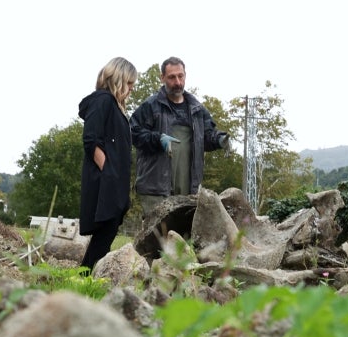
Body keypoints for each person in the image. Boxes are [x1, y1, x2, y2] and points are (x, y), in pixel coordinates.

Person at [130, 57, 232, 217]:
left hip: (188, 188)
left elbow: (206, 137)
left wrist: (220, 139)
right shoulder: (150, 106)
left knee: (183, 238)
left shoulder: (197, 110)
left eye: (180, 76)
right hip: (156, 188)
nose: (177, 82)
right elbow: (133, 133)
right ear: (162, 77)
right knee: (158, 237)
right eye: (172, 77)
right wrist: (157, 139)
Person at [78, 57, 137, 272]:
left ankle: (85, 276)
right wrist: (109, 173)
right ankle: (83, 277)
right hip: (105, 181)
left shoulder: (115, 106)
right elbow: (91, 140)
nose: (131, 89)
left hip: (113, 181)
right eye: (129, 84)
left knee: (107, 232)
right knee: (105, 231)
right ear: (119, 79)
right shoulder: (102, 100)